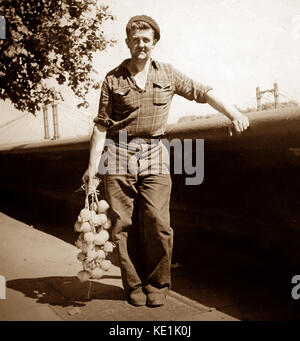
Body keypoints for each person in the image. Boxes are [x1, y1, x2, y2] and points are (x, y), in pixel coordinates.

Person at [82, 14, 249, 307]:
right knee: (123, 224)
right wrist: (92, 167)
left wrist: (233, 113)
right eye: (135, 40)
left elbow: (202, 92)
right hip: (118, 154)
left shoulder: (168, 74)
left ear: (154, 42)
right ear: (127, 43)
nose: (141, 45)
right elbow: (101, 125)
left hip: (155, 153)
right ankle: (133, 284)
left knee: (158, 220)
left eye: (146, 39)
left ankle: (158, 283)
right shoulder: (112, 79)